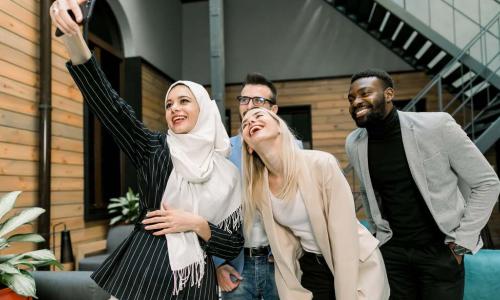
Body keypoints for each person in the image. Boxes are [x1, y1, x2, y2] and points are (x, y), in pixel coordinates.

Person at [50, 1, 244, 299]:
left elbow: (232, 244)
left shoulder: (227, 173)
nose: (174, 109)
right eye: (169, 103)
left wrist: (196, 223)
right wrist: (75, 39)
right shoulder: (153, 148)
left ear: (203, 109)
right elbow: (111, 106)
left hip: (197, 285)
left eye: (183, 101)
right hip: (143, 278)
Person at [345, 69, 500, 299]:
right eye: (351, 98)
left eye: (365, 93)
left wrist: (461, 243)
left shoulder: (437, 126)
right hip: (393, 255)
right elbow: (369, 194)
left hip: (440, 252)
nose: (356, 102)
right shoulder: (354, 142)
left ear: (389, 94)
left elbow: (487, 183)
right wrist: (379, 240)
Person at [240, 107, 390, 299]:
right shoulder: (258, 188)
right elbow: (283, 244)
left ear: (279, 127)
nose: (251, 122)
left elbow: (344, 236)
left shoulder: (321, 164)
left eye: (259, 116)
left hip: (354, 261)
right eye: (245, 123)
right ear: (249, 146)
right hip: (312, 266)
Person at [214, 73, 282, 300]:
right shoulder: (222, 153)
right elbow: (209, 210)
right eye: (244, 100)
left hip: (281, 265)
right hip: (237, 266)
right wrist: (218, 264)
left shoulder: (295, 152)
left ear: (273, 110)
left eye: (259, 101)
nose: (250, 106)